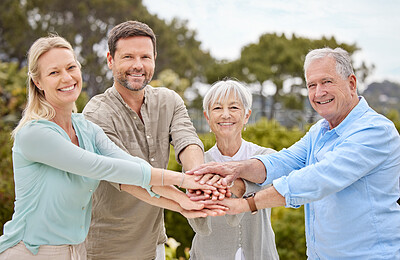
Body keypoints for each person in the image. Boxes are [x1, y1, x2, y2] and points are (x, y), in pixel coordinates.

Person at [0, 35, 218, 260]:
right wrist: (183, 181)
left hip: (76, 252)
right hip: (30, 252)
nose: (67, 78)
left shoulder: (86, 128)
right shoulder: (35, 134)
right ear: (37, 82)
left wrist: (182, 203)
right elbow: (105, 167)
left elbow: (131, 168)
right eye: (54, 72)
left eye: (71, 67)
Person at [187, 47, 400, 259]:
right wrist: (235, 168)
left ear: (351, 83)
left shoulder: (375, 131)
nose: (318, 92)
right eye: (311, 85)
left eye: (327, 82)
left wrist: (247, 203)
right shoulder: (319, 131)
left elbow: (318, 178)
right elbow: (284, 161)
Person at [82, 20, 214, 260]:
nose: (138, 65)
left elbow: (188, 142)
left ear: (154, 58)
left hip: (154, 244)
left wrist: (197, 182)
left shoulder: (169, 101)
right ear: (110, 60)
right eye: (128, 57)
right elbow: (125, 175)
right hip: (106, 248)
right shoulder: (96, 112)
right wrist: (183, 197)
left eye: (145, 57)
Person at [187, 79, 279, 260]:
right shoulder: (198, 162)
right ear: (207, 117)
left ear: (246, 115)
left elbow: (278, 192)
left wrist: (234, 185)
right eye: (217, 108)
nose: (225, 115)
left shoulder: (266, 157)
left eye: (234, 108)